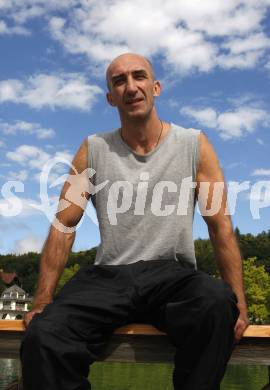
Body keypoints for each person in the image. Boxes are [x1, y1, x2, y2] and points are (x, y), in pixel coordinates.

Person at [20, 53, 249, 390]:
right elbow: (64, 225)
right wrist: (42, 299)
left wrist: (239, 301)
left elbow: (219, 225)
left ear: (155, 87)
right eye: (119, 81)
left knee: (216, 303)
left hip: (170, 276)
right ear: (110, 97)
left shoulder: (193, 144)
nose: (130, 87)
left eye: (139, 77)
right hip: (109, 277)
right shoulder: (93, 148)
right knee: (44, 337)